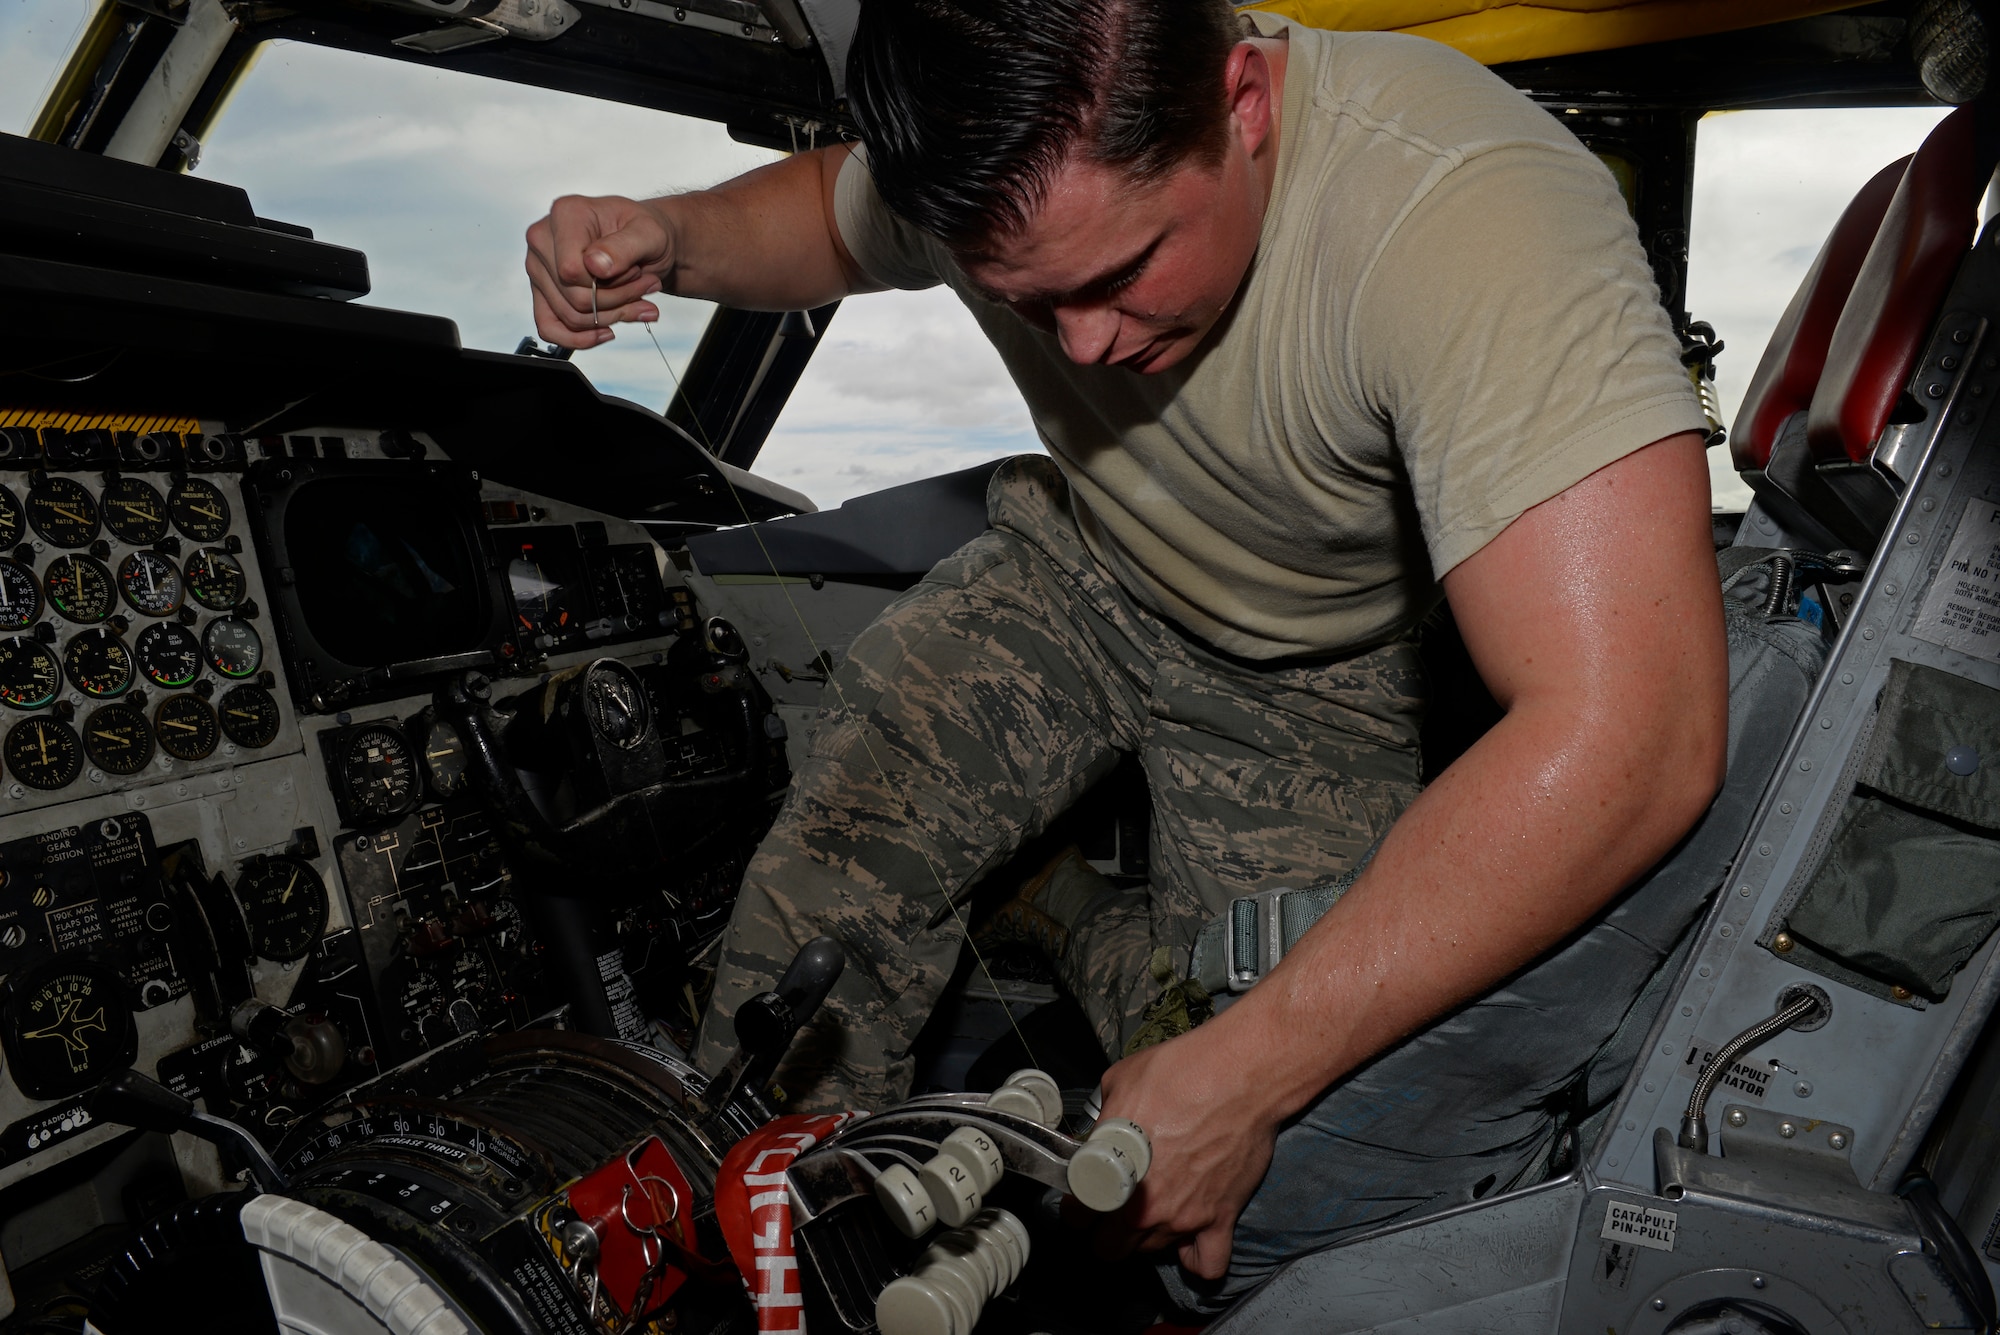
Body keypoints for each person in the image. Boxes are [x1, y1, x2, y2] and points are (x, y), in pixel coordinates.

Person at [525, 0, 1728, 1306]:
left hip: (1323, 669)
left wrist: (1251, 1072)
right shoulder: (997, 139)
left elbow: (1637, 729)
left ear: (1245, 105)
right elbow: (832, 218)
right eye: (1028, 301)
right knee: (827, 887)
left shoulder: (1467, 211)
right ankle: (791, 1277)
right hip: (1085, 561)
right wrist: (672, 237)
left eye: (1121, 272)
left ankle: (1080, 919)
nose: (1088, 345)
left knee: (1209, 1176)